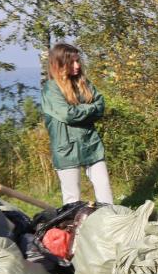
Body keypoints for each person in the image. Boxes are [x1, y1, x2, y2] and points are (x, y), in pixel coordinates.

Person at [40, 42, 115, 205]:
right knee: (72, 199)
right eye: (71, 62)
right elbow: (68, 114)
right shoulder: (50, 89)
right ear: (60, 64)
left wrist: (81, 109)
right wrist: (89, 108)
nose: (77, 65)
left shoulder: (83, 83)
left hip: (90, 143)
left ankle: (111, 223)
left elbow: (100, 105)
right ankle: (74, 229)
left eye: (77, 60)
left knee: (104, 188)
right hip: (66, 147)